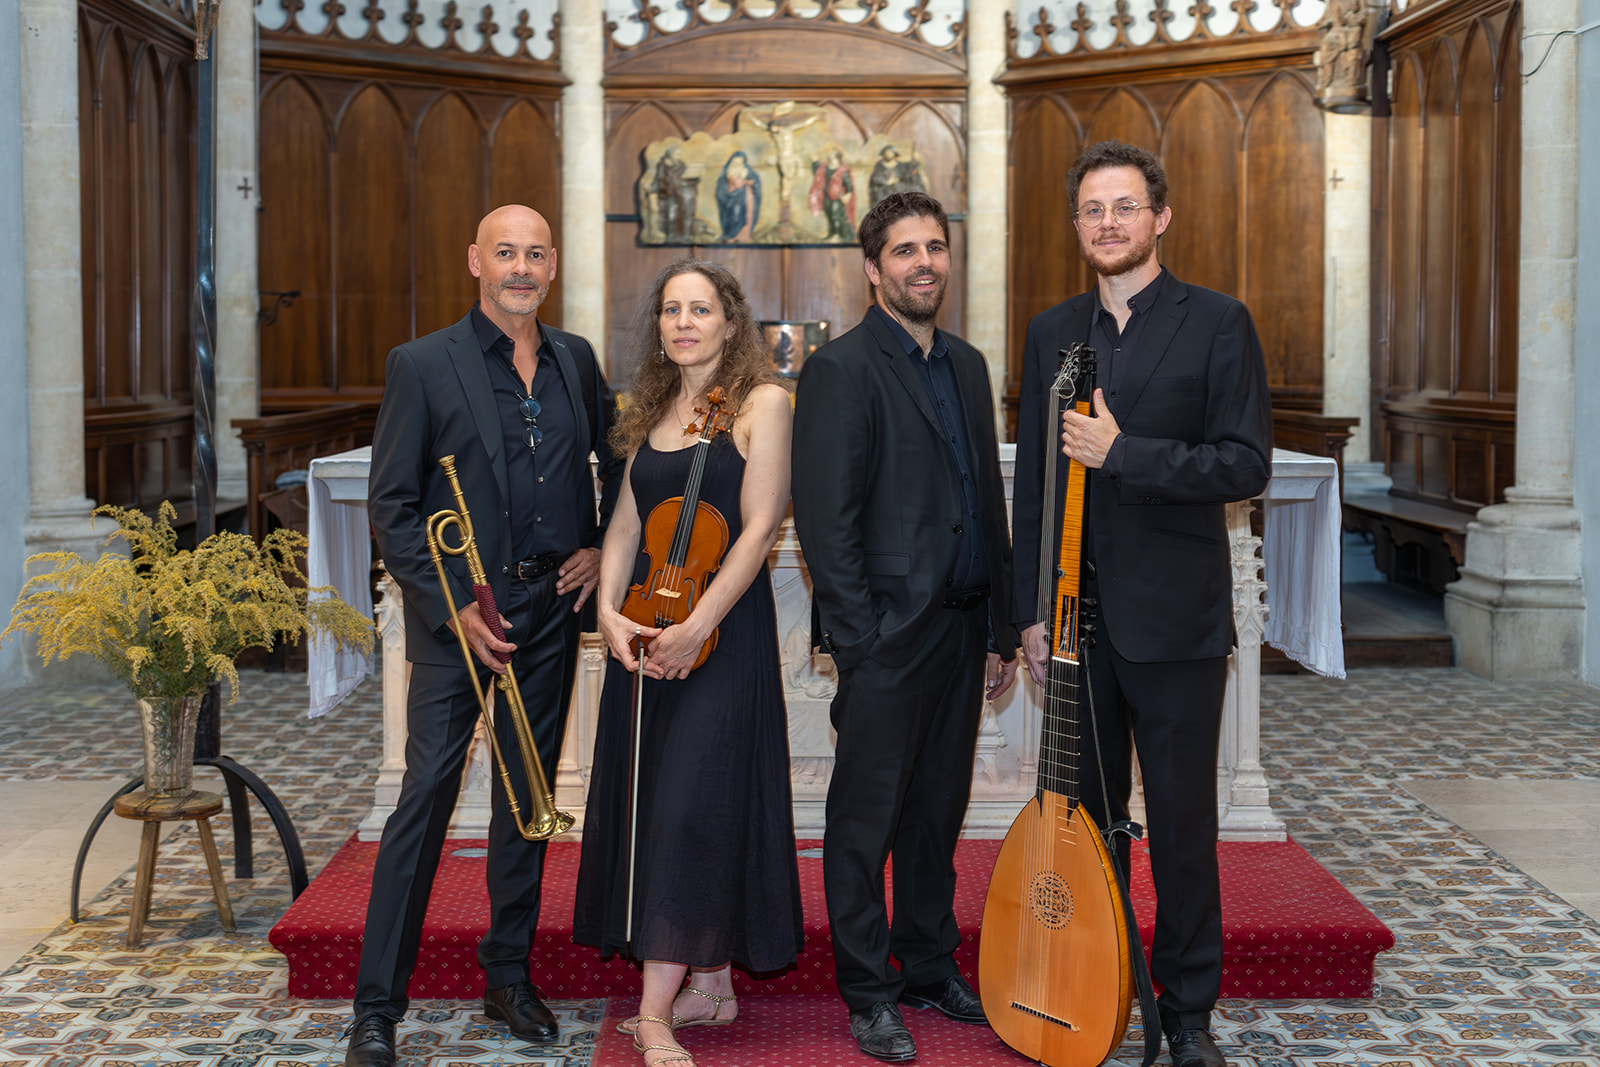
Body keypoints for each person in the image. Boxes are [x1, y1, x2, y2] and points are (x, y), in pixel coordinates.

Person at [1010, 141, 1273, 1067]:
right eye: (1092, 209)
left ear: (1160, 217)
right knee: (1085, 828)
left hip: (1175, 623)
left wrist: (1124, 454)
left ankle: (1188, 1011)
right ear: (1077, 225)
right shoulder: (1053, 331)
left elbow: (1244, 464)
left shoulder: (1218, 323)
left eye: (1125, 206)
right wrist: (1029, 612)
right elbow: (1035, 486)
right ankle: (1094, 986)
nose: (1108, 222)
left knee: (1182, 827)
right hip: (1075, 626)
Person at [346, 204, 625, 1067]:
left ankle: (507, 974)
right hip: (461, 618)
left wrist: (597, 545)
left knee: (525, 802)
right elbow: (392, 504)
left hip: (549, 613)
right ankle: (376, 1007)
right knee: (424, 799)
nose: (521, 268)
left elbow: (620, 464)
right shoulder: (423, 363)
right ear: (476, 260)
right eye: (506, 252)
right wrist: (449, 606)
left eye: (535, 254)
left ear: (553, 265)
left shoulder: (576, 359)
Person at [792, 191, 1019, 1064]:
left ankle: (926, 963)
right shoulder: (841, 369)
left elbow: (984, 503)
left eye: (935, 247)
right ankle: (868, 988)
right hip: (888, 638)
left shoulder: (967, 364)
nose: (924, 263)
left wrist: (1000, 627)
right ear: (872, 268)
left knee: (934, 816)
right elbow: (826, 521)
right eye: (904, 250)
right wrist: (862, 642)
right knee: (865, 825)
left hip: (962, 633)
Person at [573, 259, 803, 1067]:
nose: (683, 323)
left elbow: (760, 526)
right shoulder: (651, 409)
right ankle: (712, 984)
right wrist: (610, 612)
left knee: (689, 808)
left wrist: (698, 625)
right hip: (647, 626)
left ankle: (654, 1014)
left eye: (700, 309)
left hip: (721, 635)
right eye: (671, 310)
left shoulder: (764, 402)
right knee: (664, 805)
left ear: (730, 323)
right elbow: (625, 524)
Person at [715, 152, 761, 243]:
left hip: (748, 200)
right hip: (733, 200)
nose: (738, 164)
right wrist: (747, 182)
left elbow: (755, 180)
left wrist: (751, 182)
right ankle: (732, 236)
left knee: (748, 216)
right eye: (736, 162)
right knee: (735, 217)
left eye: (740, 162)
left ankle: (743, 237)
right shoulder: (729, 172)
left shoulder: (747, 171)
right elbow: (737, 184)